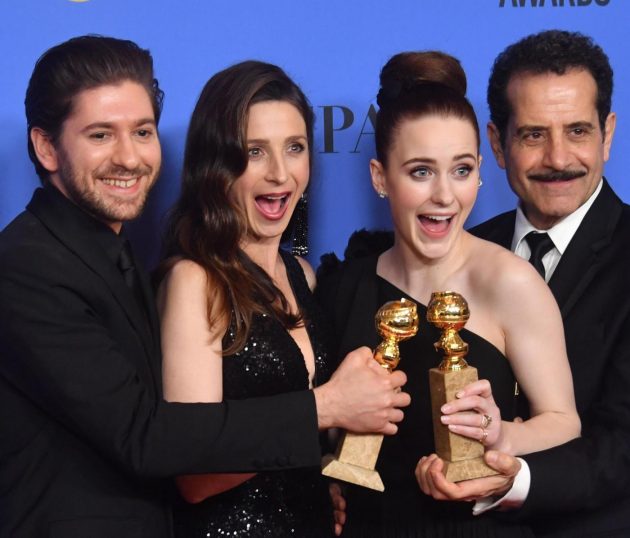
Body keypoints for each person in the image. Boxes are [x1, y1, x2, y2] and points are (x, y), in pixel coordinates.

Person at [0, 35, 410, 538]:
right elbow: (148, 437)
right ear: (46, 147)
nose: (129, 157)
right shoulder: (27, 266)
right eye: (101, 135)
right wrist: (327, 406)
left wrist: (316, 475)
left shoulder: (114, 255)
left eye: (143, 131)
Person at [316, 50, 580, 537]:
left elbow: (563, 421)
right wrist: (327, 476)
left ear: (479, 170)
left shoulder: (510, 281)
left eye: (460, 170)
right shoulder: (343, 287)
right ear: (380, 177)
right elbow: (331, 430)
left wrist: (500, 436)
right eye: (421, 171)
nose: (444, 195)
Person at [446, 29, 630, 537]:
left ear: (607, 134)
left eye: (578, 131)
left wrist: (515, 481)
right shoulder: (460, 251)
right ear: (497, 144)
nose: (558, 158)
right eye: (533, 135)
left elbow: (623, 443)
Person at [156, 60, 338, 537]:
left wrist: (329, 481)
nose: (280, 173)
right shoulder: (195, 281)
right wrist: (328, 407)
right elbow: (194, 474)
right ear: (215, 165)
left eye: (295, 148)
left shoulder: (302, 275)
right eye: (254, 151)